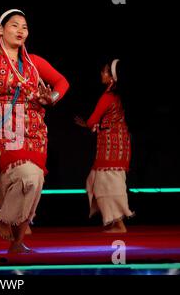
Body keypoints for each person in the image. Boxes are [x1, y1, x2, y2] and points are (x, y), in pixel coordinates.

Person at [0, 9, 70, 253]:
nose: (20, 31)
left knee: (34, 180)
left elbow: (62, 83)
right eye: (14, 25)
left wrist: (52, 98)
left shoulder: (34, 62)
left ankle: (17, 242)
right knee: (25, 177)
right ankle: (6, 219)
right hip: (3, 129)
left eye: (24, 27)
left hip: (35, 130)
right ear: (0, 31)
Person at [74, 59, 133, 233]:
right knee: (99, 181)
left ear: (112, 78)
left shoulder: (108, 97)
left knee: (107, 182)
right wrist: (92, 125)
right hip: (118, 145)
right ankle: (115, 221)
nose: (102, 74)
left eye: (105, 72)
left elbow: (93, 119)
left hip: (111, 148)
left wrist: (89, 124)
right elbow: (106, 121)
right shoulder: (118, 97)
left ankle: (119, 224)